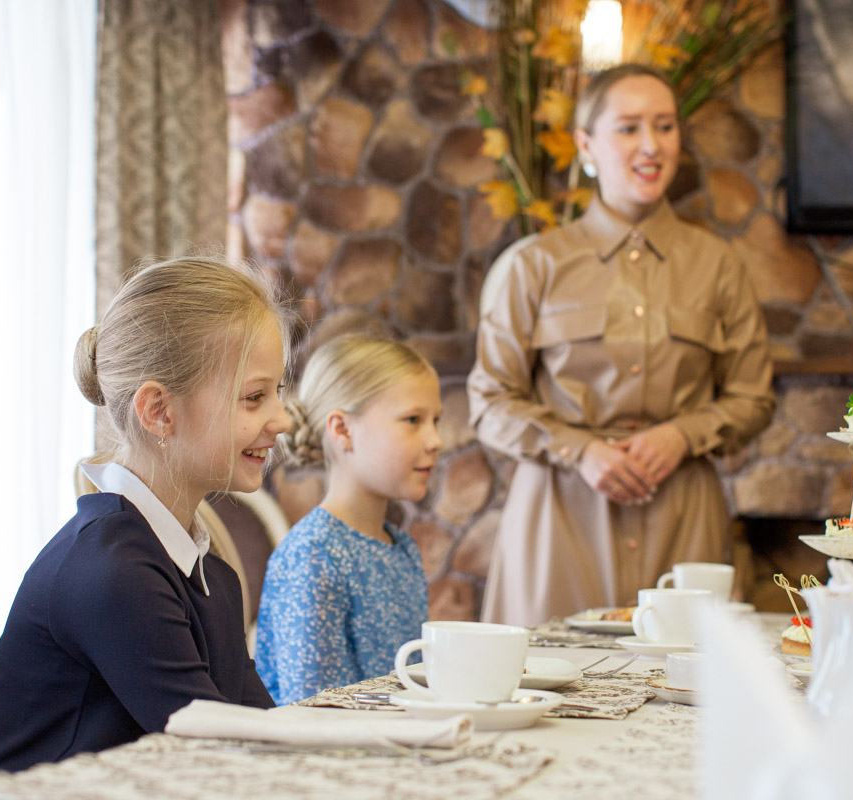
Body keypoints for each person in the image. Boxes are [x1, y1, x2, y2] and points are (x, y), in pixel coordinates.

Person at [468, 63, 775, 628]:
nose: (651, 145)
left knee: (687, 699)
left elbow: (754, 399)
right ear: (586, 145)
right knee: (553, 700)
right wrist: (579, 449)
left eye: (664, 127)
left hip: (686, 517)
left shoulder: (719, 266)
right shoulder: (533, 265)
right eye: (629, 128)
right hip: (559, 519)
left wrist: (683, 435)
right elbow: (489, 404)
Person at [0, 256, 291, 773]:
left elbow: (261, 738)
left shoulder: (210, 575)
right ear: (159, 411)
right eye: (254, 397)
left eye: (276, 392)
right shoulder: (112, 571)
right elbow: (218, 760)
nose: (282, 418)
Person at [255, 334, 437, 705]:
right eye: (414, 420)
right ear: (342, 430)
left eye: (436, 420)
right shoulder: (313, 556)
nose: (436, 439)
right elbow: (315, 710)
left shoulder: (401, 549)